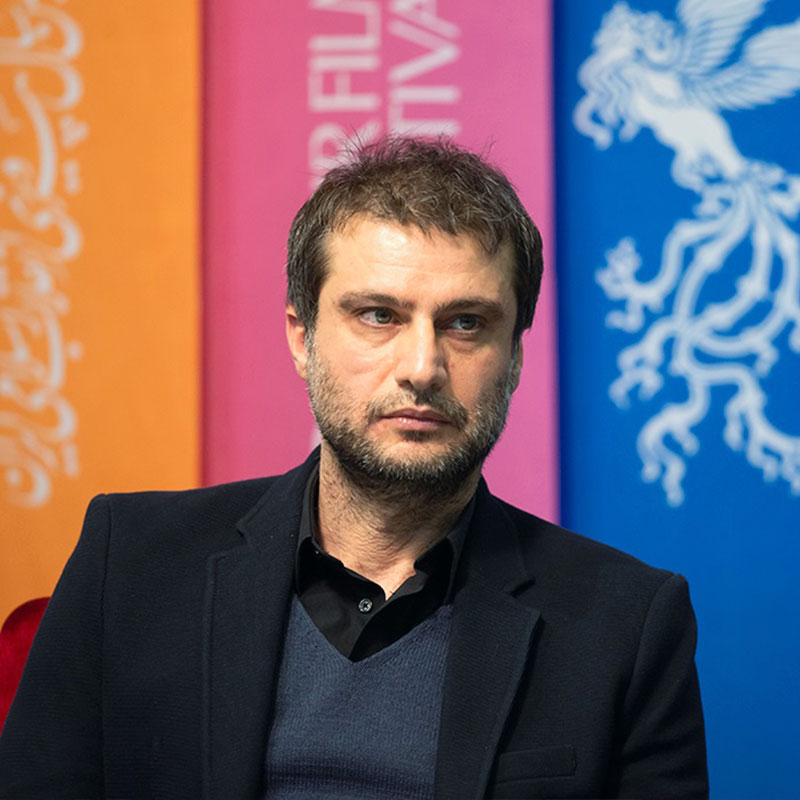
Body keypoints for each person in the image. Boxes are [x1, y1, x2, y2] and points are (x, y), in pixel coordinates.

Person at [0, 136, 708, 799]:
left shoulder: (626, 624)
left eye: (466, 323)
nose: (422, 367)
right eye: (378, 315)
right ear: (301, 337)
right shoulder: (131, 561)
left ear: (516, 357)